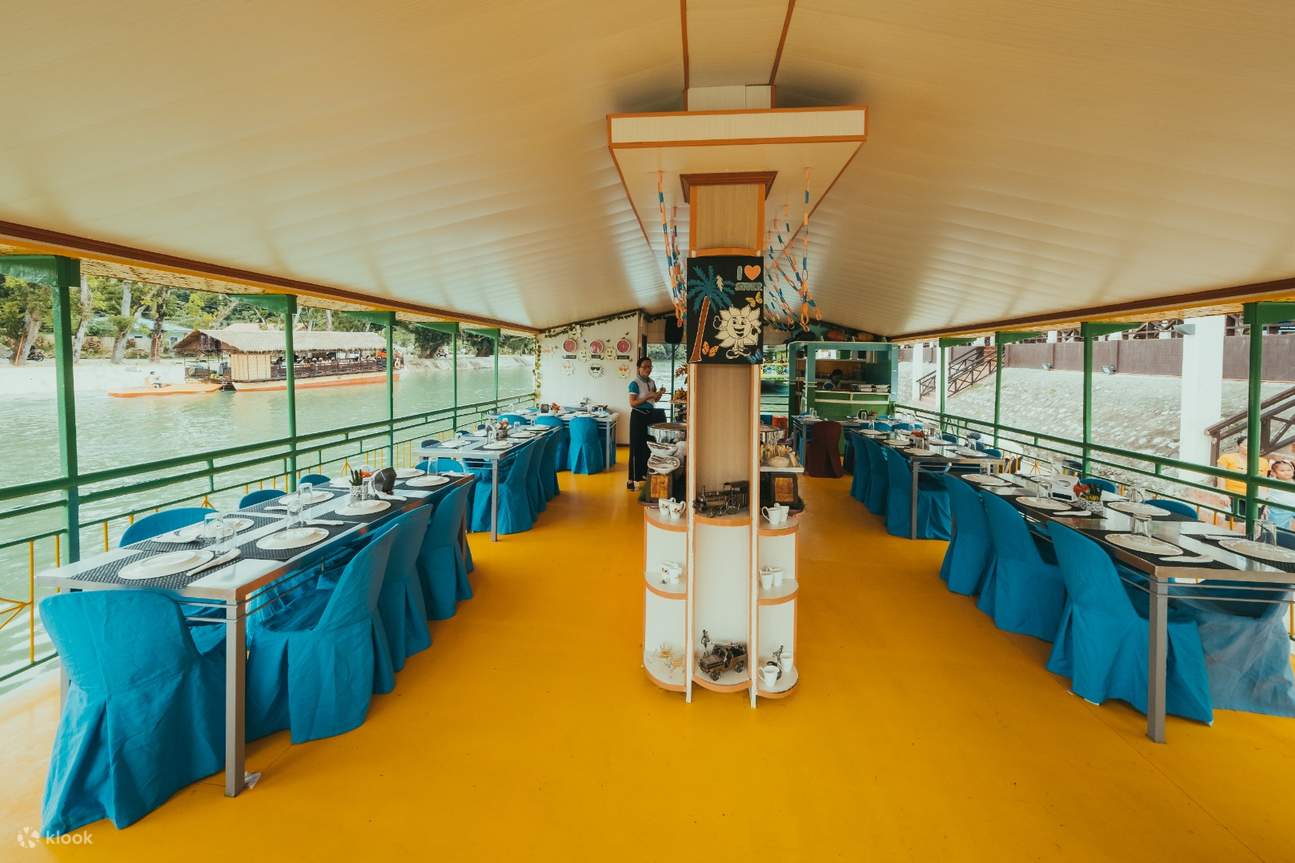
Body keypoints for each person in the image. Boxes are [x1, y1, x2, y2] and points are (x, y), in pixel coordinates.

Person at [627, 356, 665, 489]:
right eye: (645, 367)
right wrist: (648, 396)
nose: (648, 369)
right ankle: (631, 479)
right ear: (638, 368)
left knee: (648, 447)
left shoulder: (652, 382)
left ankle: (644, 473)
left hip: (651, 416)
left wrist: (659, 394)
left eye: (650, 367)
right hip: (638, 416)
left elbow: (654, 400)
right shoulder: (634, 383)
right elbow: (632, 403)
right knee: (636, 447)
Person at [1217, 440, 1269, 517]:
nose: (1250, 448)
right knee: (1236, 521)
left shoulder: (1263, 461)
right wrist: (1223, 494)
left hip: (1255, 497)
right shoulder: (1226, 458)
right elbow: (1221, 476)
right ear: (1238, 446)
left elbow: (1264, 483)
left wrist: (1265, 503)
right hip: (1234, 495)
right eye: (1246, 445)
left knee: (1253, 523)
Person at [1261, 457, 1295, 532]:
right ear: (1274, 472)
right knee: (1278, 528)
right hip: (1278, 509)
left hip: (1292, 507)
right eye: (1282, 470)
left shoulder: (1293, 481)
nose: (1287, 472)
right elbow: (1265, 494)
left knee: (1286, 528)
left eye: (1289, 470)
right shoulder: (1272, 481)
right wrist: (1265, 506)